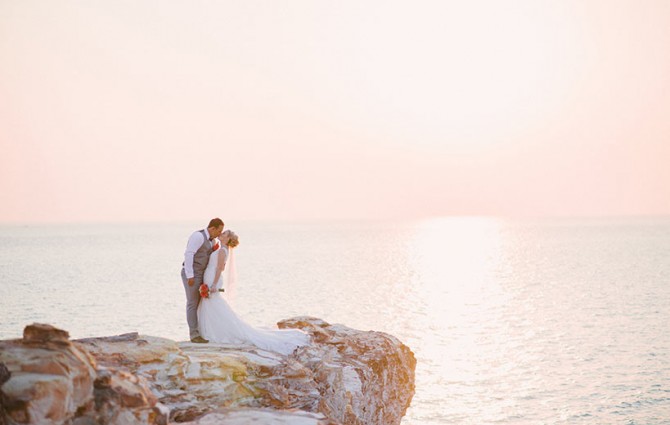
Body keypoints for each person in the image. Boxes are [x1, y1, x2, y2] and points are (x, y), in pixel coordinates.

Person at [197, 230, 311, 355]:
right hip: (210, 276)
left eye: (224, 234)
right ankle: (212, 331)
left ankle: (217, 332)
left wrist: (213, 284)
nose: (221, 234)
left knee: (214, 304)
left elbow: (219, 268)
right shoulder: (222, 249)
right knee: (211, 304)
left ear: (228, 239)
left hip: (213, 278)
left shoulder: (222, 251)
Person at [181, 218, 224, 343]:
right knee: (192, 304)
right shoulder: (198, 236)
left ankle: (202, 332)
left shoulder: (213, 240)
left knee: (201, 304)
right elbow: (189, 254)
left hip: (203, 275)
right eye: (219, 231)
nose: (220, 234)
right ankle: (194, 335)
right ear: (212, 228)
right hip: (193, 274)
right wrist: (190, 275)